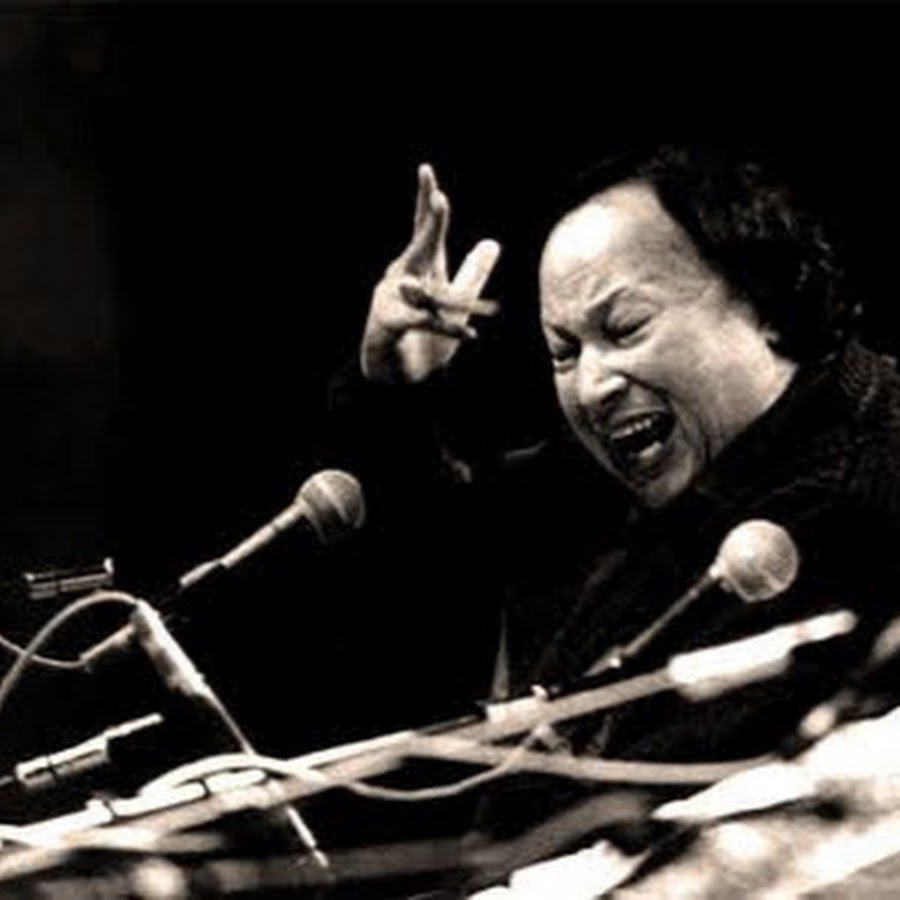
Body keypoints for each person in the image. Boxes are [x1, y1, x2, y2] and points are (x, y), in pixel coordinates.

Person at [326, 145, 900, 890]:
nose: (594, 385)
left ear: (765, 301)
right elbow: (433, 551)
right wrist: (399, 393)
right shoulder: (614, 475)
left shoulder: (876, 478)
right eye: (564, 353)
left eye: (625, 328)